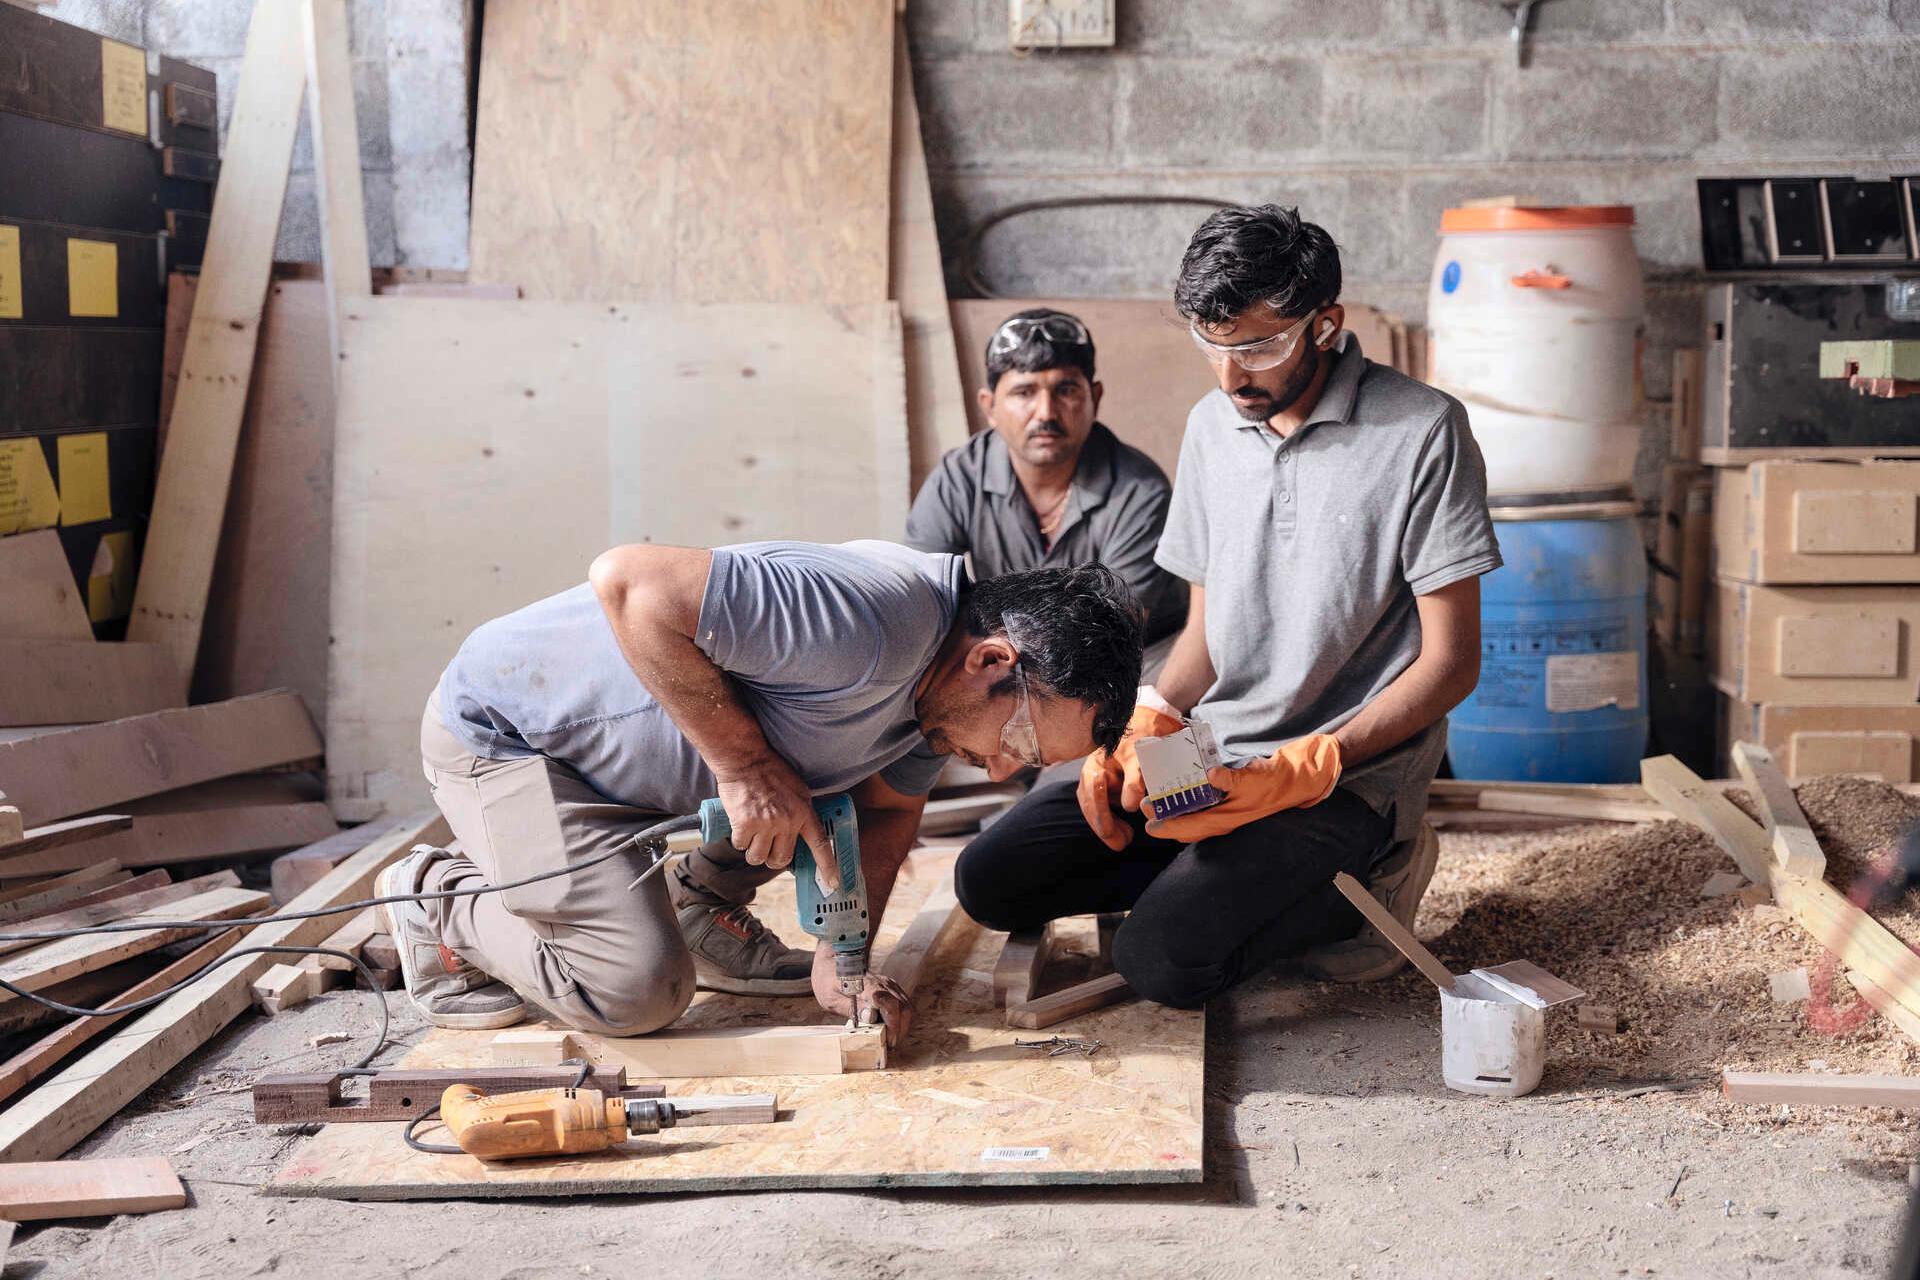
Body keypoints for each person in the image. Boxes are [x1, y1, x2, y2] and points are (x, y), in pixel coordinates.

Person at [954, 205, 1500, 1006]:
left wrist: (1318, 762)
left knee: (1165, 963)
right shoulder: (1212, 426)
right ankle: (1220, 881)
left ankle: (1373, 883)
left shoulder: (1422, 431)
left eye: (1259, 347)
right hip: (1217, 754)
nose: (1232, 376)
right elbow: (1207, 638)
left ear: (1325, 324)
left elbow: (1452, 664)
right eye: (1212, 345)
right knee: (990, 880)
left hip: (1346, 776)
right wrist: (1139, 720)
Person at [376, 541, 1143, 1044]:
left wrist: (842, 955)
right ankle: (432, 893)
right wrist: (744, 769)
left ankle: (697, 903)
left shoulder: (935, 703)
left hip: (634, 774)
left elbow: (886, 812)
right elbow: (627, 582)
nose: (1003, 771)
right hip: (516, 739)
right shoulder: (869, 620)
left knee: (811, 789)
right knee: (632, 993)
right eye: (1020, 743)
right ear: (990, 660)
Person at [907, 308, 1186, 656]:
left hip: (1131, 659)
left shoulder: (1139, 490)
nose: (1046, 413)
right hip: (1006, 653)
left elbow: (1113, 629)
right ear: (990, 407)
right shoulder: (959, 477)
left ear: (1095, 398)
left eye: (1065, 389)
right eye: (1024, 392)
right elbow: (919, 598)